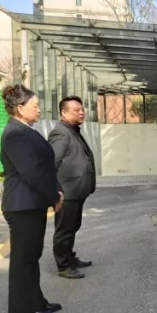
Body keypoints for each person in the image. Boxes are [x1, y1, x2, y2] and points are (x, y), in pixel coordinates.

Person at [0, 84, 64, 313]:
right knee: (24, 258)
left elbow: (44, 167)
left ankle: (36, 300)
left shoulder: (25, 130)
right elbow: (32, 172)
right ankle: (25, 309)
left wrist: (56, 189)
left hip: (30, 204)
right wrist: (54, 196)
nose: (39, 109)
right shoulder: (15, 134)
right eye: (34, 106)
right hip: (22, 205)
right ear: (20, 108)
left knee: (31, 255)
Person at [48, 96, 96, 279]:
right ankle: (64, 265)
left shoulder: (72, 130)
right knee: (65, 230)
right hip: (66, 192)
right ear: (64, 113)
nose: (81, 112)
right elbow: (52, 162)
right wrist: (55, 190)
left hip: (76, 191)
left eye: (82, 109)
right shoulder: (61, 133)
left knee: (73, 226)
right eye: (76, 110)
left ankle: (70, 257)